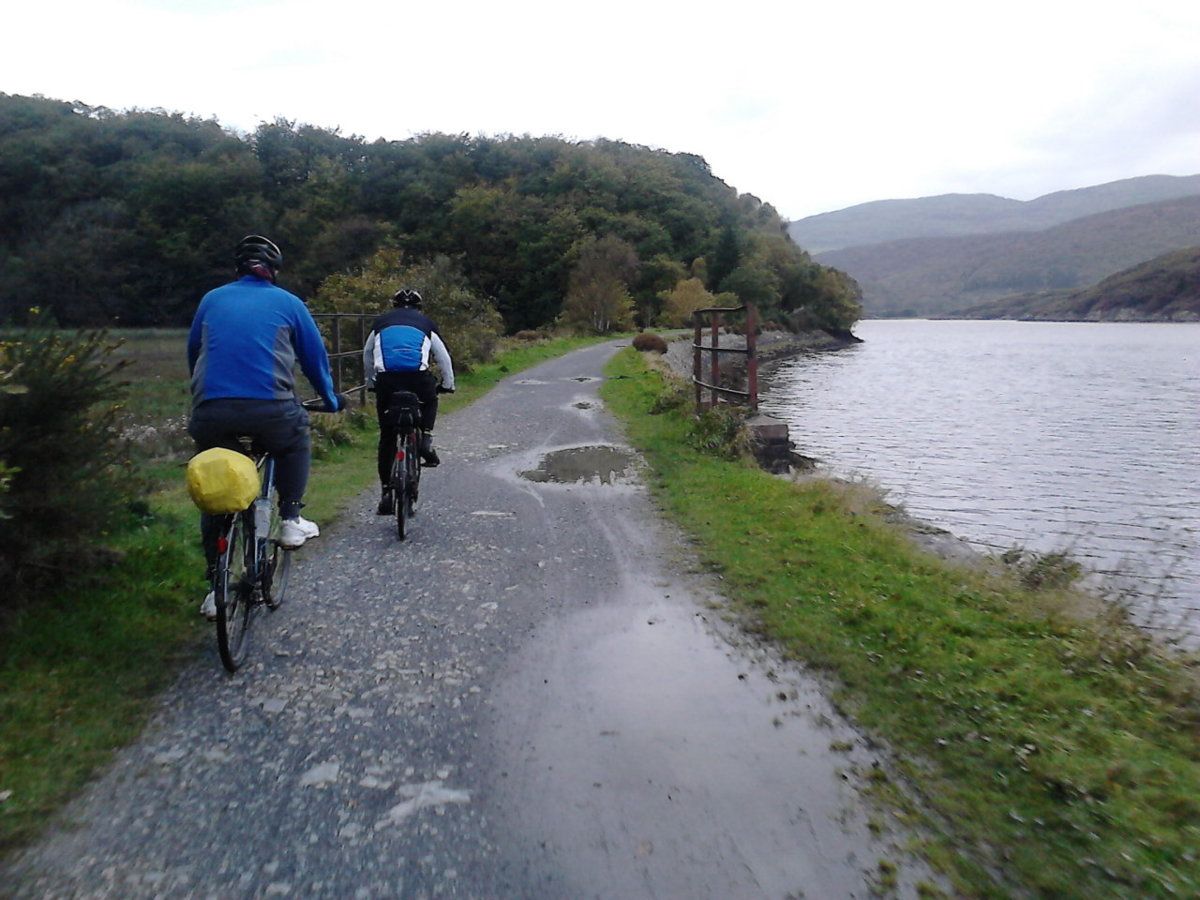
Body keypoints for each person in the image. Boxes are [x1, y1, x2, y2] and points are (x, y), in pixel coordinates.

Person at [188, 234, 344, 618]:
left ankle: (215, 589)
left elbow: (195, 352)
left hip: (212, 410)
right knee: (294, 440)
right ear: (273, 270)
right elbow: (314, 358)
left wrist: (207, 398)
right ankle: (290, 517)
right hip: (272, 409)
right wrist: (330, 398)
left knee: (218, 489)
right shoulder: (289, 303)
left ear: (236, 270)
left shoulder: (211, 299)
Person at [363, 288, 455, 514]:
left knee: (387, 436)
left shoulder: (380, 323)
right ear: (418, 307)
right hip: (418, 379)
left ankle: (386, 492)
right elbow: (443, 357)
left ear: (394, 305)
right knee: (430, 400)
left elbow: (367, 353)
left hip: (387, 380)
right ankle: (426, 438)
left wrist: (371, 382)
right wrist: (448, 384)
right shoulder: (426, 323)